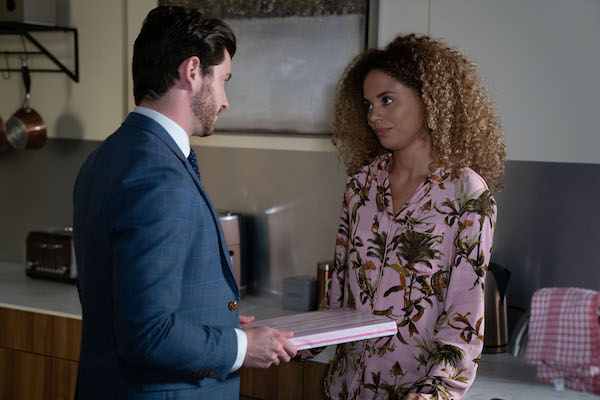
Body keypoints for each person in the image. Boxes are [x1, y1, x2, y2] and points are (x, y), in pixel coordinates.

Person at [72, 6, 296, 399]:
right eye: (223, 81)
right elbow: (147, 333)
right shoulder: (158, 175)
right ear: (192, 71)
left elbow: (131, 303)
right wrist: (242, 347)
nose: (225, 101)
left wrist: (214, 321)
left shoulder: (107, 156)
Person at [323, 34, 506, 399]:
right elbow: (340, 296)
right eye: (368, 104)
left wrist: (436, 389)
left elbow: (465, 315)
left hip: (415, 391)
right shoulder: (361, 185)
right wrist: (291, 340)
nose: (374, 115)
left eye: (387, 100)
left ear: (429, 99)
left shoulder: (466, 193)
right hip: (344, 389)